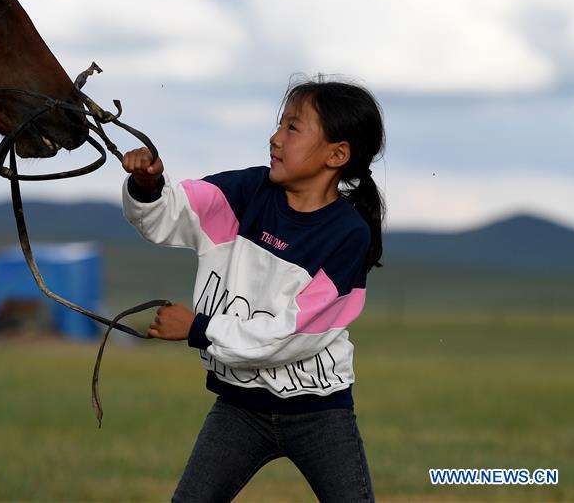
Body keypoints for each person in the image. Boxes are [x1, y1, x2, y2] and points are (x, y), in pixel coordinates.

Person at [121, 77, 385, 502]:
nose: (275, 138)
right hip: (239, 409)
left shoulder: (347, 235)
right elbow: (170, 215)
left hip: (319, 412)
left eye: (293, 128)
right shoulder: (244, 192)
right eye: (279, 125)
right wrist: (148, 187)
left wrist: (199, 329)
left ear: (337, 154)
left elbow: (293, 335)